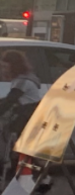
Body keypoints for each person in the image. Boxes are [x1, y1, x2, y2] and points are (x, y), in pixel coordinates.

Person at [0, 50, 41, 186]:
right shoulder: (23, 78)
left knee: (21, 151)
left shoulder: (23, 81)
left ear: (14, 66)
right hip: (25, 117)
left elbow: (11, 100)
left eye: (6, 67)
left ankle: (41, 179)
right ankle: (34, 178)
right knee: (21, 151)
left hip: (26, 118)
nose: (3, 69)